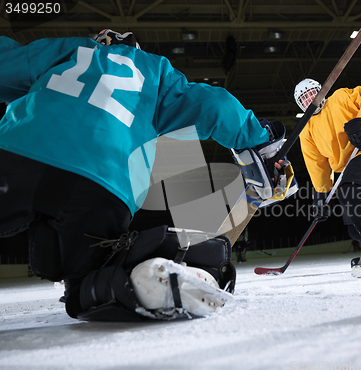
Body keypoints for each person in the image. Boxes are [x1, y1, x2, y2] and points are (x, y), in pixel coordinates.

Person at [0, 30, 294, 321]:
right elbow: (213, 106)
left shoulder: (69, 49)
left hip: (18, 151)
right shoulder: (155, 71)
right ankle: (134, 280)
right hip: (103, 183)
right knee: (87, 283)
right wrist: (259, 140)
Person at [293, 78, 361, 276]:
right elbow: (317, 164)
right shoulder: (307, 129)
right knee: (354, 225)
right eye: (304, 98)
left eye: (313, 92)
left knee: (351, 190)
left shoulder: (340, 97)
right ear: (301, 105)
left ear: (322, 91)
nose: (310, 99)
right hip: (347, 168)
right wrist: (321, 195)